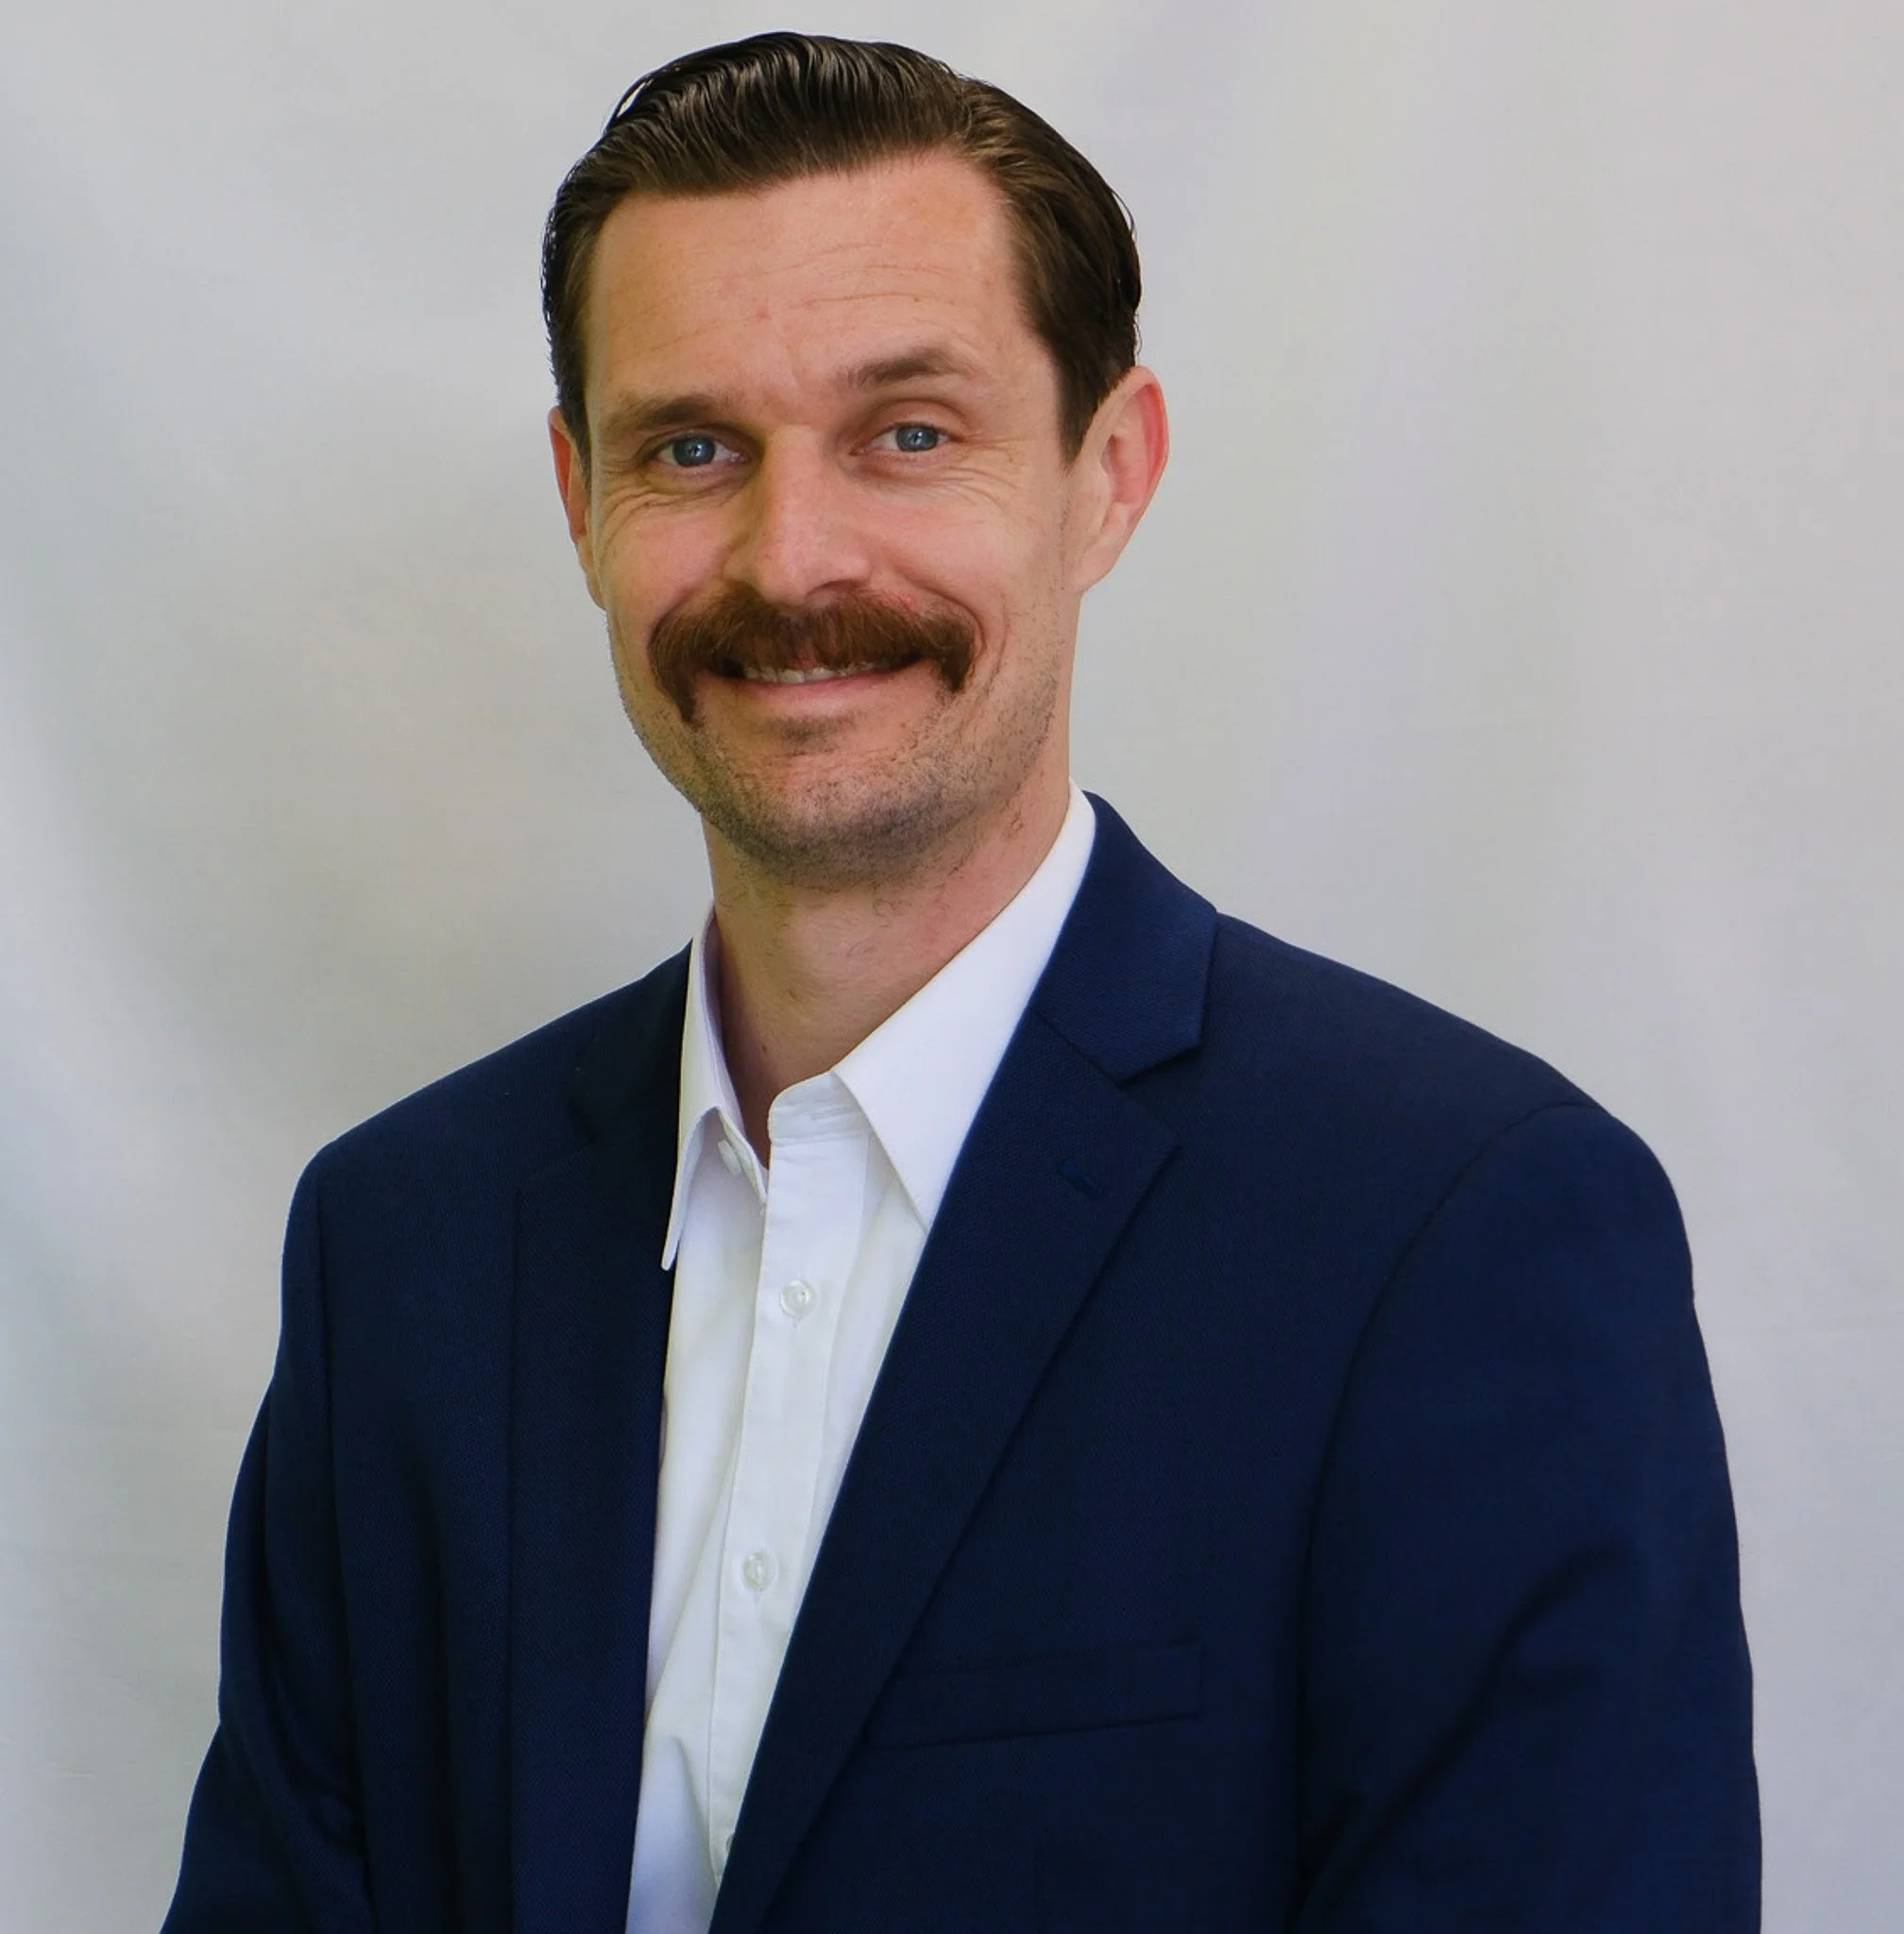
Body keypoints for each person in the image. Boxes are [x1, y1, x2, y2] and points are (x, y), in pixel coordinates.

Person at [163, 32, 1758, 1933]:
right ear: (581, 501)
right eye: (692, 447)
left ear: (1109, 474)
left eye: (907, 434)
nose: (793, 555)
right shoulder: (402, 1245)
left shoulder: (1457, 1230)